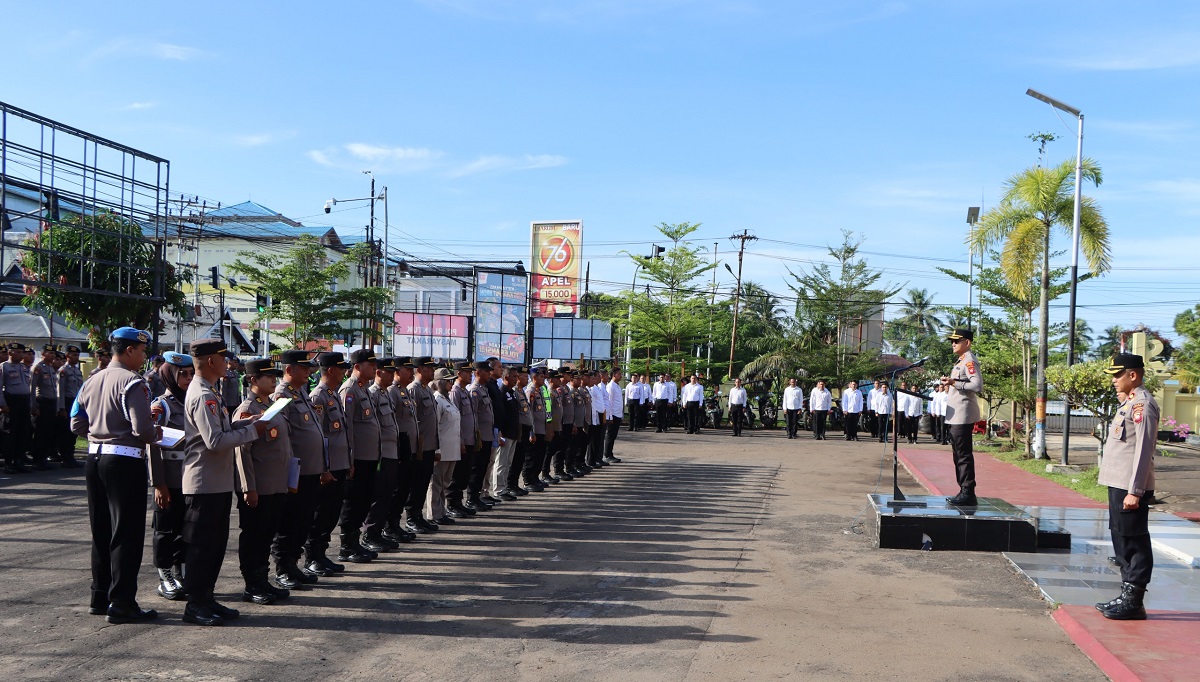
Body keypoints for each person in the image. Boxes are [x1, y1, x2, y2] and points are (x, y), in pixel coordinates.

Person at [70, 327, 163, 624]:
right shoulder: (133, 382)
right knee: (126, 533)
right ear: (130, 350)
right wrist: (158, 433)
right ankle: (122, 602)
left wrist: (100, 432)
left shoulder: (92, 379)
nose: (144, 356)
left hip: (94, 458)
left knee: (101, 530)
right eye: (142, 351)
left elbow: (76, 423)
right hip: (124, 461)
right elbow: (143, 430)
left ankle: (100, 597)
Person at [180, 338, 268, 626]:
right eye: (223, 359)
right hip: (203, 482)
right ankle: (195, 604)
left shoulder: (211, 391)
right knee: (201, 546)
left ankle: (207, 598)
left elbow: (224, 429)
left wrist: (248, 423)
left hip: (216, 482)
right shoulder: (202, 394)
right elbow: (215, 441)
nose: (228, 364)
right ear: (210, 362)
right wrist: (253, 431)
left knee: (215, 545)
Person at [1095, 353, 1159, 620]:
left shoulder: (1143, 404)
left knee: (1135, 542)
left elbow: (1143, 451)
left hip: (1130, 485)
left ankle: (1134, 600)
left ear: (1133, 375)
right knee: (1121, 539)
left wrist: (1136, 490)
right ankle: (1127, 596)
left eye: (1117, 374)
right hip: (1119, 483)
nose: (1113, 379)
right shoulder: (1130, 402)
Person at [232, 358, 292, 605]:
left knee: (267, 535)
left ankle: (263, 579)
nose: (273, 380)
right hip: (259, 486)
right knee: (254, 536)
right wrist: (248, 488)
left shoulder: (272, 406)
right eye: (268, 376)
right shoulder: (247, 410)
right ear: (253, 379)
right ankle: (252, 584)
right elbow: (242, 452)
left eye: (274, 376)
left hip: (276, 485)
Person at [272, 350, 329, 586]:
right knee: (289, 522)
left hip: (311, 469)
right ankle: (282, 568)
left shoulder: (301, 392)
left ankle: (293, 564)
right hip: (295, 472)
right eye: (303, 368)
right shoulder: (281, 395)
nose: (308, 372)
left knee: (303, 521)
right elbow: (279, 436)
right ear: (289, 370)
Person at [147, 352, 194, 602]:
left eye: (191, 373)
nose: (188, 378)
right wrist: (158, 483)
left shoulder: (193, 401)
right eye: (182, 374)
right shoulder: (161, 406)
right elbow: (152, 446)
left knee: (187, 529)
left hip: (191, 477)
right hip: (169, 477)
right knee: (165, 530)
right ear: (169, 375)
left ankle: (182, 573)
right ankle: (165, 577)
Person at [308, 352, 359, 570]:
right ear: (330, 370)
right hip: (328, 467)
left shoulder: (333, 395)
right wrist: (324, 468)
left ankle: (321, 554)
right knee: (321, 514)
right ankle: (313, 557)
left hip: (340, 464)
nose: (345, 372)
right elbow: (319, 436)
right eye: (341, 368)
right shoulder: (318, 397)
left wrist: (348, 461)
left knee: (331, 513)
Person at [338, 349, 383, 559]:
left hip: (369, 457)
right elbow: (347, 428)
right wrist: (350, 458)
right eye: (370, 365)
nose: (374, 368)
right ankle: (347, 546)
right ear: (357, 366)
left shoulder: (363, 389)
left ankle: (355, 542)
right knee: (353, 502)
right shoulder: (349, 390)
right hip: (357, 458)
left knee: (364, 500)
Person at [362, 358, 405, 552]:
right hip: (381, 454)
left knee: (388, 494)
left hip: (391, 452)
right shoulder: (372, 393)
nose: (392, 376)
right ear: (379, 373)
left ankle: (378, 533)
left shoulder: (385, 393)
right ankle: (369, 534)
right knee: (378, 496)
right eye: (389, 372)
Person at [942, 329, 983, 506]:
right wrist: (950, 383)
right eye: (952, 341)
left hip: (963, 415)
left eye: (956, 341)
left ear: (967, 342)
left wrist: (954, 382)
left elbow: (977, 385)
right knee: (958, 454)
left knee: (963, 455)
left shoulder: (969, 361)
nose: (953, 344)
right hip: (956, 415)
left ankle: (968, 492)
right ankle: (963, 490)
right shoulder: (961, 361)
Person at [385, 358, 420, 541]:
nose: (412, 372)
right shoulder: (392, 391)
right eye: (408, 369)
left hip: (409, 448)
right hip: (399, 448)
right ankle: (389, 526)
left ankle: (395, 524)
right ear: (398, 372)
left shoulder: (404, 390)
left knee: (404, 488)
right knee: (397, 489)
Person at [405, 357, 442, 526]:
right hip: (419, 447)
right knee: (416, 483)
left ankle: (418, 515)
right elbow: (413, 420)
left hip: (429, 446)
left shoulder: (427, 389)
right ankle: (411, 517)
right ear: (419, 370)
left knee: (423, 482)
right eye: (429, 368)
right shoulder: (413, 390)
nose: (433, 371)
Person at [426, 367, 461, 525]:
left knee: (444, 483)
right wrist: (437, 449)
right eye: (448, 381)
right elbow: (435, 427)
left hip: (452, 449)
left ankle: (441, 512)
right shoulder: (437, 400)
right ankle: (434, 514)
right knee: (436, 483)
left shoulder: (447, 399)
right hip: (442, 449)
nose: (451, 384)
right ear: (440, 382)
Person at [490, 366, 521, 501]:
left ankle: (504, 487)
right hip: (505, 433)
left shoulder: (511, 392)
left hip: (513, 433)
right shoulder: (502, 391)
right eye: (514, 376)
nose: (516, 379)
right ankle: (498, 490)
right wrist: (500, 432)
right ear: (507, 377)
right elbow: (499, 414)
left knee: (508, 463)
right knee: (501, 463)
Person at [3, 343, 34, 473]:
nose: (22, 355)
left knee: (23, 432)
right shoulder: (4, 367)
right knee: (11, 433)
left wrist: (31, 405)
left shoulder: (23, 367)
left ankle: (19, 461)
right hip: (11, 402)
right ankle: (8, 463)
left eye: (22, 352)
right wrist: (3, 404)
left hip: (24, 402)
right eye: (19, 352)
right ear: (10, 353)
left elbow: (28, 388)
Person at [30, 344, 62, 470]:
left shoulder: (51, 368)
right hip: (42, 403)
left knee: (49, 432)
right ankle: (37, 459)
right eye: (50, 353)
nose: (52, 355)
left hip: (51, 403)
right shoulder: (38, 368)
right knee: (41, 433)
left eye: (54, 353)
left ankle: (44, 457)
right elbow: (32, 388)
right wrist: (33, 406)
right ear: (43, 354)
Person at [57, 345, 85, 467]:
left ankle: (70, 456)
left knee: (73, 432)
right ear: (67, 356)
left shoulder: (77, 371)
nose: (76, 357)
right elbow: (60, 391)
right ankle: (65, 457)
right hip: (67, 402)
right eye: (74, 355)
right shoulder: (63, 371)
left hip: (75, 402)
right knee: (66, 432)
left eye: (78, 355)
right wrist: (61, 408)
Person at [603, 368, 624, 462]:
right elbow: (609, 402)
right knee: (610, 435)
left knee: (613, 435)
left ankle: (610, 453)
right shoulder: (610, 386)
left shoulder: (617, 386)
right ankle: (607, 455)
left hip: (617, 414)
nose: (621, 375)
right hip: (613, 415)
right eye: (619, 374)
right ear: (614, 375)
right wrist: (610, 416)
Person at [217, 354, 242, 418]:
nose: (237, 364)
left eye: (237, 363)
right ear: (229, 362)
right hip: (229, 403)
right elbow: (223, 389)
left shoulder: (235, 373)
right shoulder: (225, 374)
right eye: (235, 362)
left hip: (235, 402)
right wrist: (223, 403)